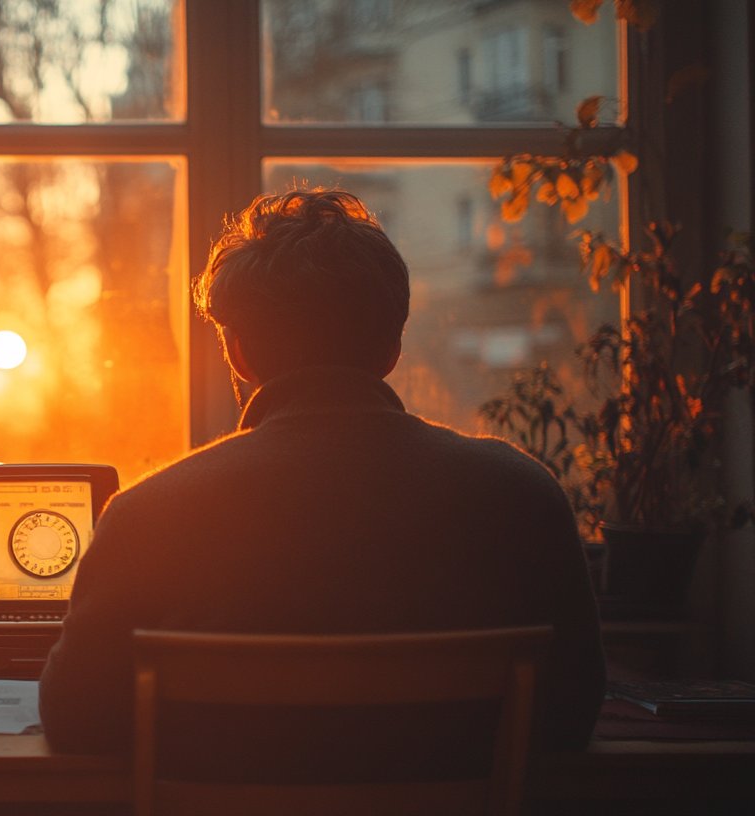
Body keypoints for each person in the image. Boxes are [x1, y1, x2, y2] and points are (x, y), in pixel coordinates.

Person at [38, 189, 605, 777]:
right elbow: (570, 715)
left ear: (238, 353)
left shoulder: (149, 514)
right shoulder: (520, 496)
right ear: (392, 347)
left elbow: (79, 720)